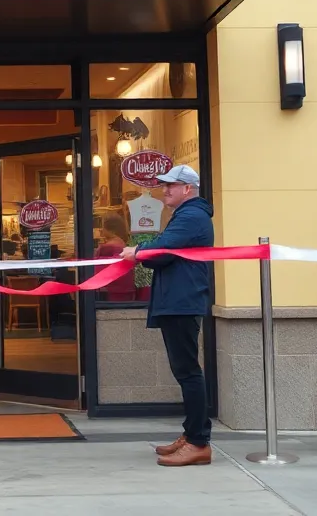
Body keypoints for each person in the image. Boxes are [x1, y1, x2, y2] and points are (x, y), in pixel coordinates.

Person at [120, 165, 213, 467]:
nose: (165, 191)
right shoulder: (186, 215)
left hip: (182, 302)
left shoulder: (192, 216)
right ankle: (191, 433)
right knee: (184, 370)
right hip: (177, 300)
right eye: (164, 186)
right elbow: (165, 251)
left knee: (188, 372)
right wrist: (147, 251)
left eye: (171, 186)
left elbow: (162, 250)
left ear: (187, 188)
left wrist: (138, 250)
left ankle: (199, 441)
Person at [95, 212, 137, 302]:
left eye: (102, 227)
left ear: (111, 229)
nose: (100, 230)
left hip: (113, 292)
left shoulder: (109, 247)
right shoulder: (122, 244)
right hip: (125, 290)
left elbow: (98, 270)